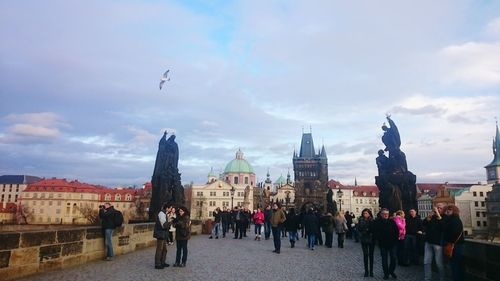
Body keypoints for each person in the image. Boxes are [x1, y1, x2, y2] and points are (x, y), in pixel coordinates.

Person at [374, 208, 399, 280]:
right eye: (384, 214)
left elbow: (396, 231)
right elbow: (376, 233)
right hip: (383, 244)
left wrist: (395, 240)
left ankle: (391, 271)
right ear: (381, 214)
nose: (386, 215)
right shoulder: (377, 222)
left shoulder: (392, 221)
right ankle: (386, 273)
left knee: (393, 258)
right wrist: (379, 240)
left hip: (392, 243)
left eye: (387, 214)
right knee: (384, 260)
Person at [422, 204, 445, 281]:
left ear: (443, 210)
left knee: (439, 263)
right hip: (428, 242)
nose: (438, 209)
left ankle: (442, 278)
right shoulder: (432, 217)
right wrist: (428, 218)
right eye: (437, 207)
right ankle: (427, 278)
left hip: (438, 244)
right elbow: (423, 224)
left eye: (440, 208)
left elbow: (443, 226)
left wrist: (439, 216)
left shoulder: (444, 217)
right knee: (426, 262)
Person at [443, 205, 465, 281]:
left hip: (456, 246)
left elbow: (454, 233)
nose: (448, 211)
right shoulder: (452, 219)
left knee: (455, 265)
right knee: (456, 265)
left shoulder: (454, 220)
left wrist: (447, 240)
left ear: (454, 211)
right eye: (447, 209)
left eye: (450, 209)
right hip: (457, 245)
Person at [153, 203, 172, 269]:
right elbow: (164, 225)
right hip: (160, 234)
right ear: (167, 208)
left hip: (163, 234)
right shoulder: (161, 214)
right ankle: (157, 264)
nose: (170, 210)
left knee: (164, 249)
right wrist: (171, 222)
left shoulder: (165, 214)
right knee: (159, 249)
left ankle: (162, 262)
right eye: (170, 208)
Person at [357, 208, 375, 277]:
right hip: (364, 239)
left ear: (369, 213)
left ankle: (371, 271)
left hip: (371, 239)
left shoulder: (372, 220)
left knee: (371, 256)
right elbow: (358, 228)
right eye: (364, 213)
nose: (365, 215)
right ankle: (366, 271)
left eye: (366, 213)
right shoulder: (361, 220)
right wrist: (361, 234)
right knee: (365, 255)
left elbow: (374, 229)